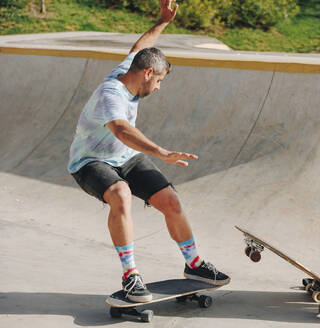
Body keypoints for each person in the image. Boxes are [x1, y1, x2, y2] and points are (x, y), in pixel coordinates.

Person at [67, 0, 230, 303]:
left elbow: (142, 46)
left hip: (125, 157)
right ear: (146, 73)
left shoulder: (132, 65)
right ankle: (131, 276)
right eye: (158, 81)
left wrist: (163, 22)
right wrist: (160, 151)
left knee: (170, 200)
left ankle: (194, 265)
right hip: (90, 161)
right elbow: (122, 130)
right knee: (120, 194)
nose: (158, 88)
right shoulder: (110, 94)